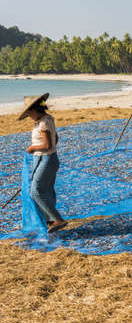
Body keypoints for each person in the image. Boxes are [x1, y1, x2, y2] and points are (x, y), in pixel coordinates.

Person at [18, 93, 67, 234]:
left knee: (36, 190)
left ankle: (57, 219)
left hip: (47, 159)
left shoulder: (44, 122)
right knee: (45, 190)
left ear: (35, 110)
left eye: (29, 113)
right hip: (47, 158)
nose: (29, 116)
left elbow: (47, 144)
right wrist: (50, 151)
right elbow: (55, 138)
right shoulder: (46, 120)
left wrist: (32, 148)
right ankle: (51, 221)